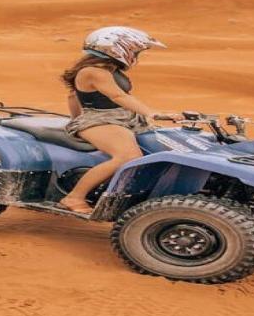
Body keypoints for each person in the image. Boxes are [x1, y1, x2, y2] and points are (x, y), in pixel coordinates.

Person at [58, 26, 173, 214]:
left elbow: (73, 97)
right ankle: (73, 197)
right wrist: (151, 113)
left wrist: (75, 119)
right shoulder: (94, 71)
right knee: (128, 156)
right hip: (100, 119)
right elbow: (119, 97)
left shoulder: (109, 69)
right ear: (119, 48)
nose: (137, 55)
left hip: (121, 119)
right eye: (136, 50)